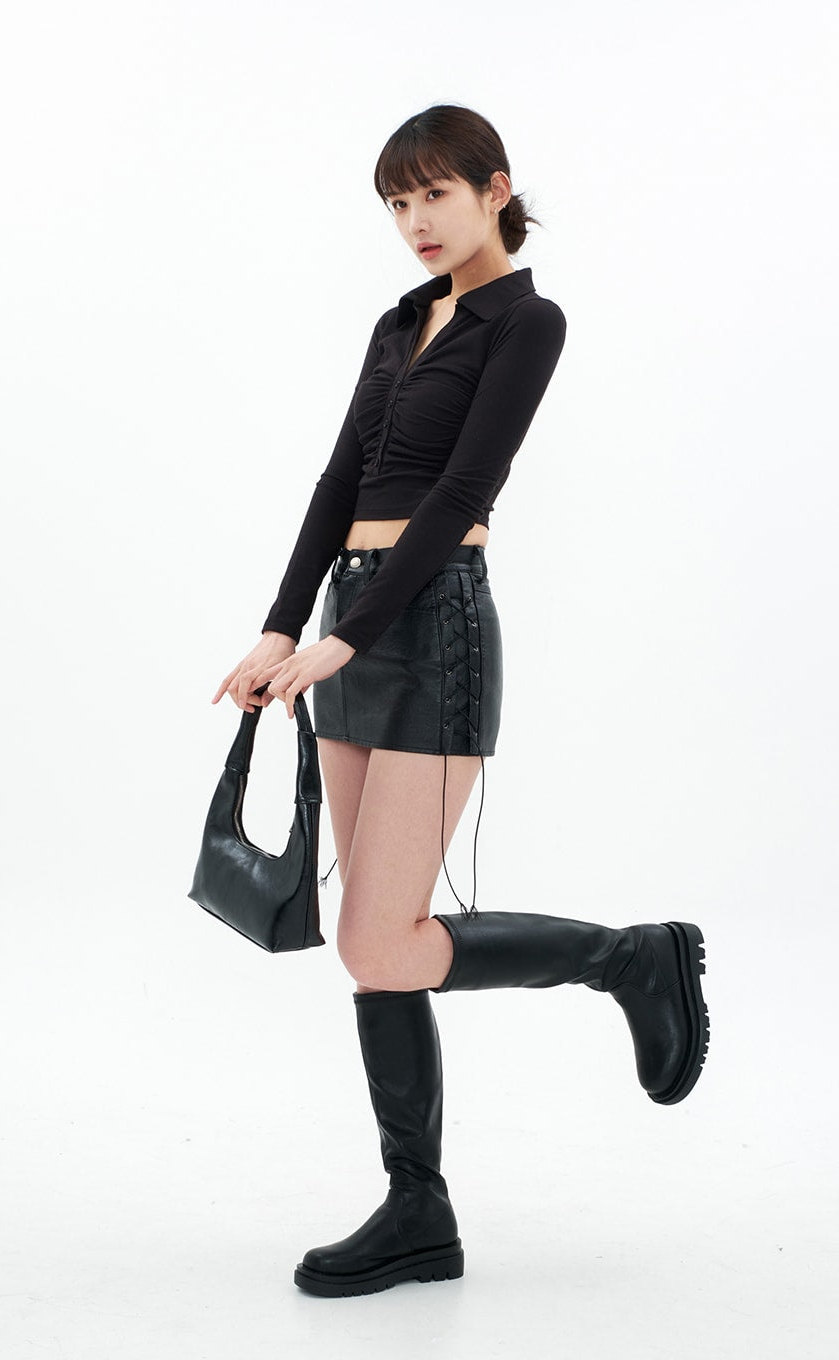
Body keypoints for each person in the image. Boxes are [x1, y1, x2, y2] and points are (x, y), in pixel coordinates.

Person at [212, 104, 710, 1298]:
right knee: (374, 948)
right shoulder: (398, 323)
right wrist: (286, 622)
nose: (414, 221)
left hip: (432, 625)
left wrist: (347, 639)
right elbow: (341, 478)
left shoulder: (526, 322)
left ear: (495, 189)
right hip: (352, 614)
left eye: (434, 193)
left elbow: (461, 491)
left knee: (378, 936)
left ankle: (627, 958)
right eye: (396, 202)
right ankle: (418, 1210)